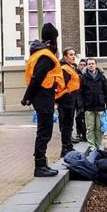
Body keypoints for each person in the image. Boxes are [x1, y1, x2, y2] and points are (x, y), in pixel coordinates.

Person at [23, 23, 62, 177]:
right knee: (44, 131)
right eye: (56, 37)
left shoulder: (39, 53)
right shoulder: (45, 56)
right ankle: (39, 166)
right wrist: (27, 97)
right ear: (53, 38)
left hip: (43, 95)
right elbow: (37, 77)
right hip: (43, 96)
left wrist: (28, 97)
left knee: (44, 131)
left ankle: (42, 163)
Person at [56, 47, 81, 157]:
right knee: (66, 124)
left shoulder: (70, 68)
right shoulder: (65, 69)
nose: (73, 56)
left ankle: (68, 146)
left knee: (69, 124)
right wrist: (66, 96)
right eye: (71, 54)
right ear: (65, 57)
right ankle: (65, 147)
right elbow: (61, 85)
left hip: (71, 99)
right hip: (66, 99)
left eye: (74, 54)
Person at [79, 58, 107, 149]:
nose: (91, 65)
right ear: (87, 66)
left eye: (92, 63)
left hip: (100, 106)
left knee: (99, 128)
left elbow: (106, 92)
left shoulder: (102, 77)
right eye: (89, 64)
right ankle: (92, 146)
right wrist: (81, 106)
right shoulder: (83, 77)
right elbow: (80, 93)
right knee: (90, 128)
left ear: (96, 65)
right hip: (88, 106)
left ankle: (98, 144)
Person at [75, 58, 88, 141]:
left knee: (84, 117)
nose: (82, 66)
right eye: (81, 65)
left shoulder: (87, 75)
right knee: (78, 116)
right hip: (76, 98)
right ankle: (79, 133)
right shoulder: (76, 73)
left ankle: (84, 133)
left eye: (84, 65)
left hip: (85, 99)